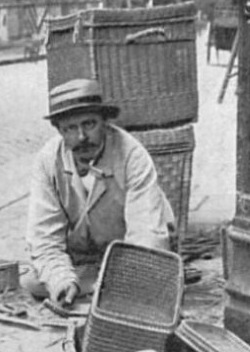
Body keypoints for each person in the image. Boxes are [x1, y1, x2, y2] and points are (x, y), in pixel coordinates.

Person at [22, 78, 174, 306]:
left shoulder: (132, 155)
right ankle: (93, 285)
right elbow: (44, 237)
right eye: (70, 128)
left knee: (150, 283)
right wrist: (62, 281)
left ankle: (107, 285)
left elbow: (146, 234)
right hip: (82, 259)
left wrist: (127, 282)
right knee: (31, 281)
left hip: (128, 253)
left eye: (89, 124)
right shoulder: (48, 161)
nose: (81, 137)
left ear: (105, 122)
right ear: (59, 131)